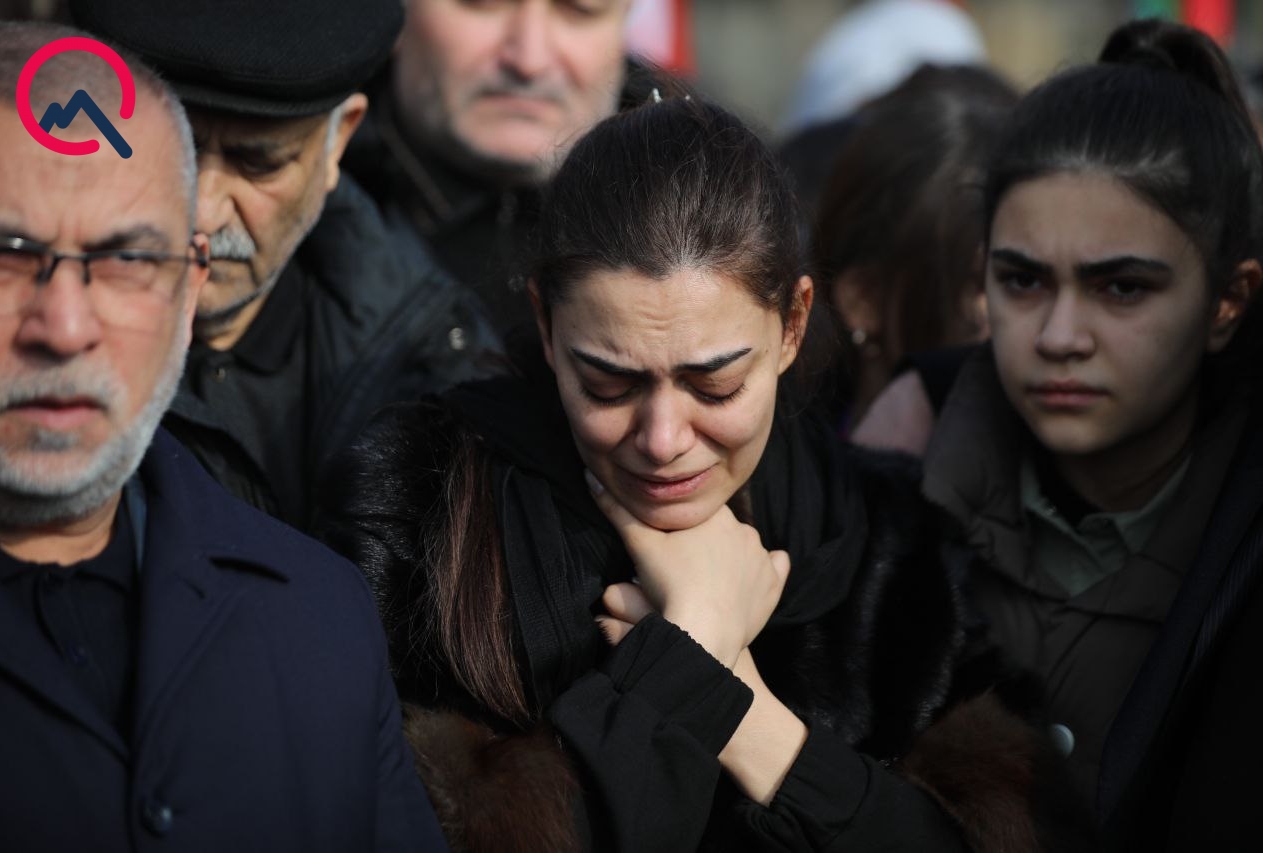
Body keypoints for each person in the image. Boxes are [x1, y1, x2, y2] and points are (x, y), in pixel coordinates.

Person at [321, 96, 1090, 852]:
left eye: (714, 386)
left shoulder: (901, 550)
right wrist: (692, 636)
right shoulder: (420, 516)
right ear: (547, 326)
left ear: (793, 324)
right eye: (608, 384)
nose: (663, 439)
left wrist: (747, 717)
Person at [0, 23, 445, 852]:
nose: (64, 325)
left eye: (126, 260)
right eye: (3, 256)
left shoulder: (321, 617)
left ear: (187, 289)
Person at [919, 20, 1263, 848]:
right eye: (1023, 281)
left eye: (1121, 288)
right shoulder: (886, 497)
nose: (1060, 335)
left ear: (1229, 300)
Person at [70, 0, 500, 531]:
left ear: (338, 140)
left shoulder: (437, 360)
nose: (204, 210)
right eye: (170, 150)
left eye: (259, 162)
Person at [344, 0, 650, 340]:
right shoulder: (307, 223)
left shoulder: (697, 206)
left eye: (579, 8)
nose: (529, 61)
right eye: (485, 3)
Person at [809, 64, 1015, 431]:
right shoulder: (775, 461)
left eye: (1030, 280)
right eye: (983, 282)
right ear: (864, 297)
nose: (1051, 326)